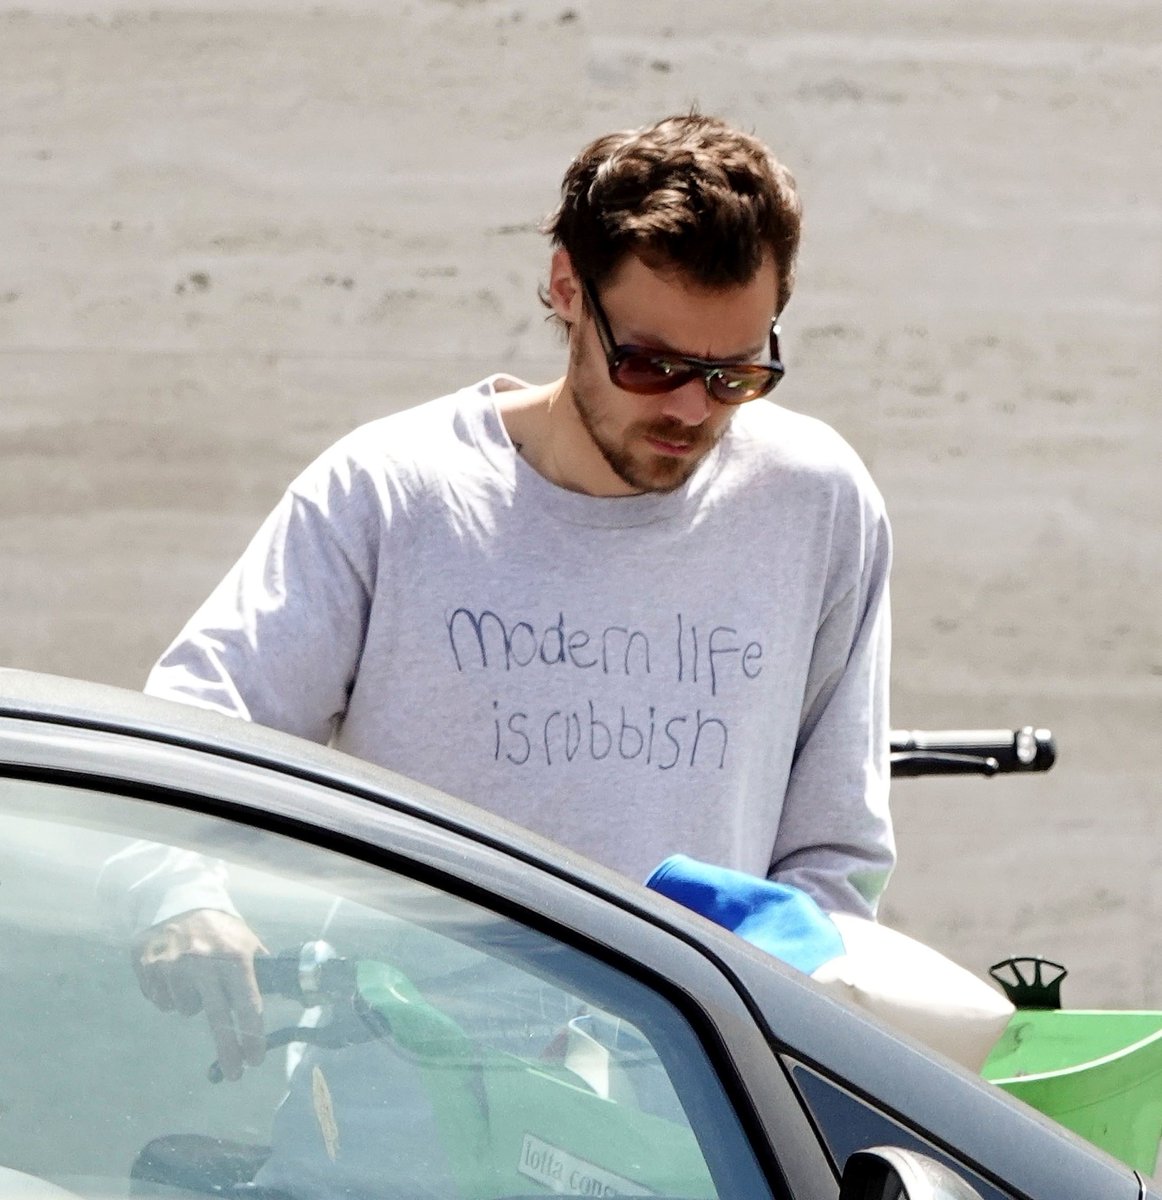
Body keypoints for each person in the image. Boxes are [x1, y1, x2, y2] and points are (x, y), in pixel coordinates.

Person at [114, 112, 894, 1087]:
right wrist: (181, 893)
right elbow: (196, 717)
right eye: (650, 365)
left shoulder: (813, 502)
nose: (692, 410)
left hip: (681, 1131)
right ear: (569, 289)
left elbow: (832, 858)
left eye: (735, 373)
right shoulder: (395, 491)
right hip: (393, 1115)